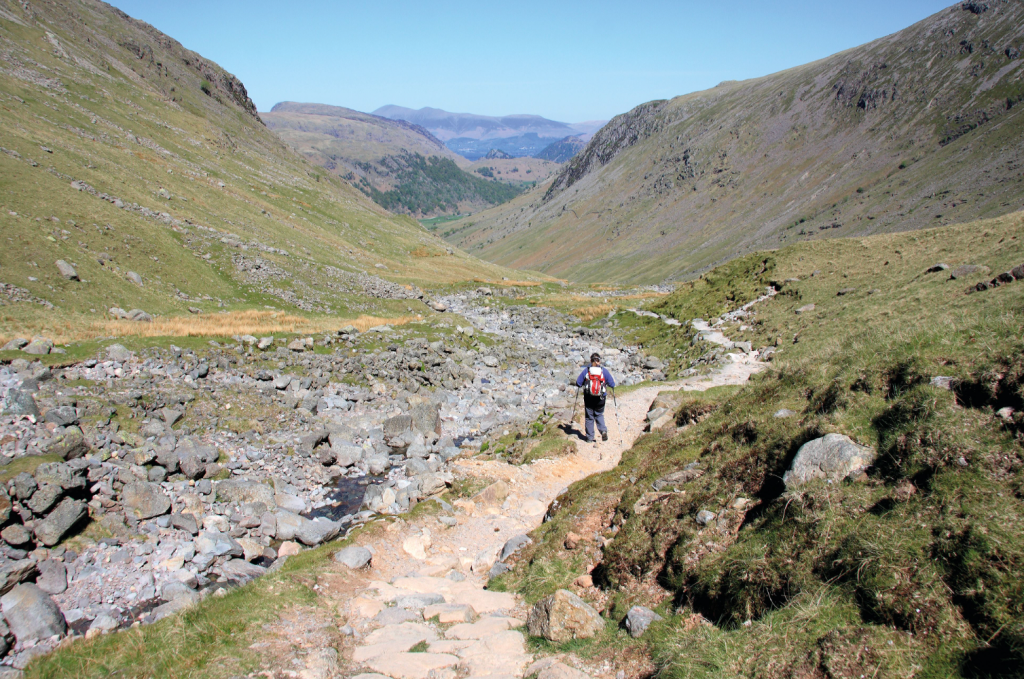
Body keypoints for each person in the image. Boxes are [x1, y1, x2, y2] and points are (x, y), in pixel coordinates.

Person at [575, 353, 616, 443]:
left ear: (591, 361)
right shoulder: (603, 371)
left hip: (589, 398)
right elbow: (612, 384)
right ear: (599, 361)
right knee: (599, 414)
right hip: (601, 399)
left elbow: (578, 383)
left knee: (589, 417)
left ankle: (590, 438)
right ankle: (603, 431)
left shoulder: (586, 370)